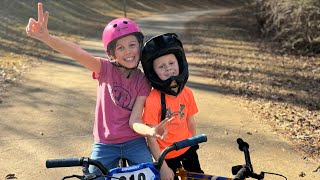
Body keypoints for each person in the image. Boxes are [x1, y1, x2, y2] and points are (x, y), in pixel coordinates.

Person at [25, 3, 170, 176]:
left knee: (149, 175)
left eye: (132, 45)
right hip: (105, 143)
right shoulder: (104, 69)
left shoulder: (143, 80)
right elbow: (77, 53)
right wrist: (47, 38)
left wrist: (150, 131)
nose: (128, 51)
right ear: (112, 54)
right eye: (120, 48)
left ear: (140, 46)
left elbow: (135, 120)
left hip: (134, 141)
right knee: (93, 176)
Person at [141, 33, 204, 180]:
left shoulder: (186, 92)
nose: (168, 68)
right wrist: (162, 166)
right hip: (166, 154)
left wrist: (194, 143)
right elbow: (151, 138)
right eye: (161, 66)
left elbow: (191, 122)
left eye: (171, 63)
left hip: (187, 148)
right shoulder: (152, 99)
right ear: (153, 72)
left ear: (179, 63)